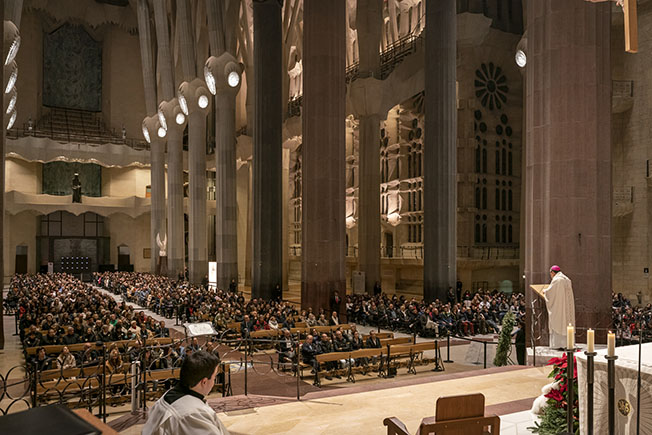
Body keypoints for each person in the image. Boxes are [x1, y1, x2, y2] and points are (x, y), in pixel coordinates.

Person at [142, 351, 229, 435]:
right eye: (214, 378)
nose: (213, 383)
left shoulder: (168, 395)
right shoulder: (193, 414)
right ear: (204, 382)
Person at [543, 265, 576, 350]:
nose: (551, 275)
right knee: (566, 324)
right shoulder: (567, 280)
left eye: (550, 274)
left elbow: (550, 292)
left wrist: (544, 291)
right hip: (566, 308)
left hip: (559, 308)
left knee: (558, 322)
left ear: (553, 272)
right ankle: (567, 343)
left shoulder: (557, 280)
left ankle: (557, 344)